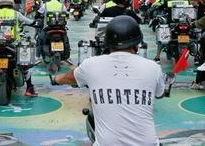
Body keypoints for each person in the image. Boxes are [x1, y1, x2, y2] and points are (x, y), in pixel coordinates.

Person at [52, 15, 166, 146]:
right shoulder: (153, 68)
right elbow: (160, 94)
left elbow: (68, 77)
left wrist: (56, 79)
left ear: (107, 42)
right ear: (136, 43)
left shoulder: (90, 65)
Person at [0, 0, 39, 97]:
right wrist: (35, 23)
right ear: (11, 2)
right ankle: (29, 88)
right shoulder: (15, 14)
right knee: (24, 64)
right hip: (13, 44)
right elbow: (29, 22)